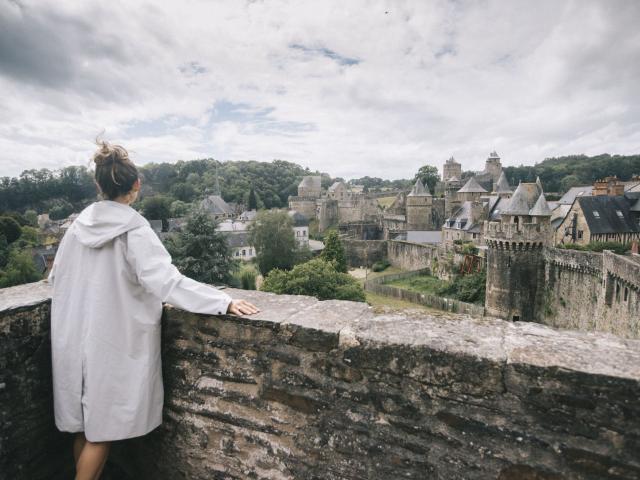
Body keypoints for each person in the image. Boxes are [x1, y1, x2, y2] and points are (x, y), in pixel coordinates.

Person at [48, 141, 259, 480]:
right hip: (110, 341)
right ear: (136, 186)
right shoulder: (134, 229)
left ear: (100, 186)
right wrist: (222, 301)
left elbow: (56, 278)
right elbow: (168, 283)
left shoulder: (75, 228)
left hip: (74, 338)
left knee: (84, 429)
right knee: (102, 434)